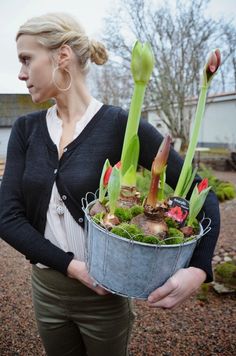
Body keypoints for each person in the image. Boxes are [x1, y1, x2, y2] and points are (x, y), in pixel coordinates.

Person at [0, 12, 220, 356]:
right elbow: (7, 217)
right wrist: (73, 268)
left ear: (62, 56)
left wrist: (199, 270)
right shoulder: (26, 130)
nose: (21, 73)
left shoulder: (121, 124)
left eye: (27, 59)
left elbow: (202, 195)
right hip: (45, 290)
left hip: (104, 300)